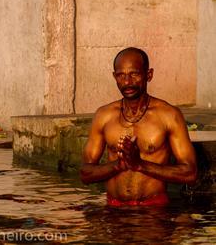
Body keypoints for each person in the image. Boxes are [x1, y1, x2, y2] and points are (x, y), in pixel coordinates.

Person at [80, 47, 197, 206]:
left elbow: (190, 173)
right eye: (121, 75)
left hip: (153, 212)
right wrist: (119, 165)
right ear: (114, 77)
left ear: (148, 75)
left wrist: (140, 165)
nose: (127, 82)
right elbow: (85, 174)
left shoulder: (169, 115)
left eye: (134, 74)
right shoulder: (104, 116)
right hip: (113, 210)